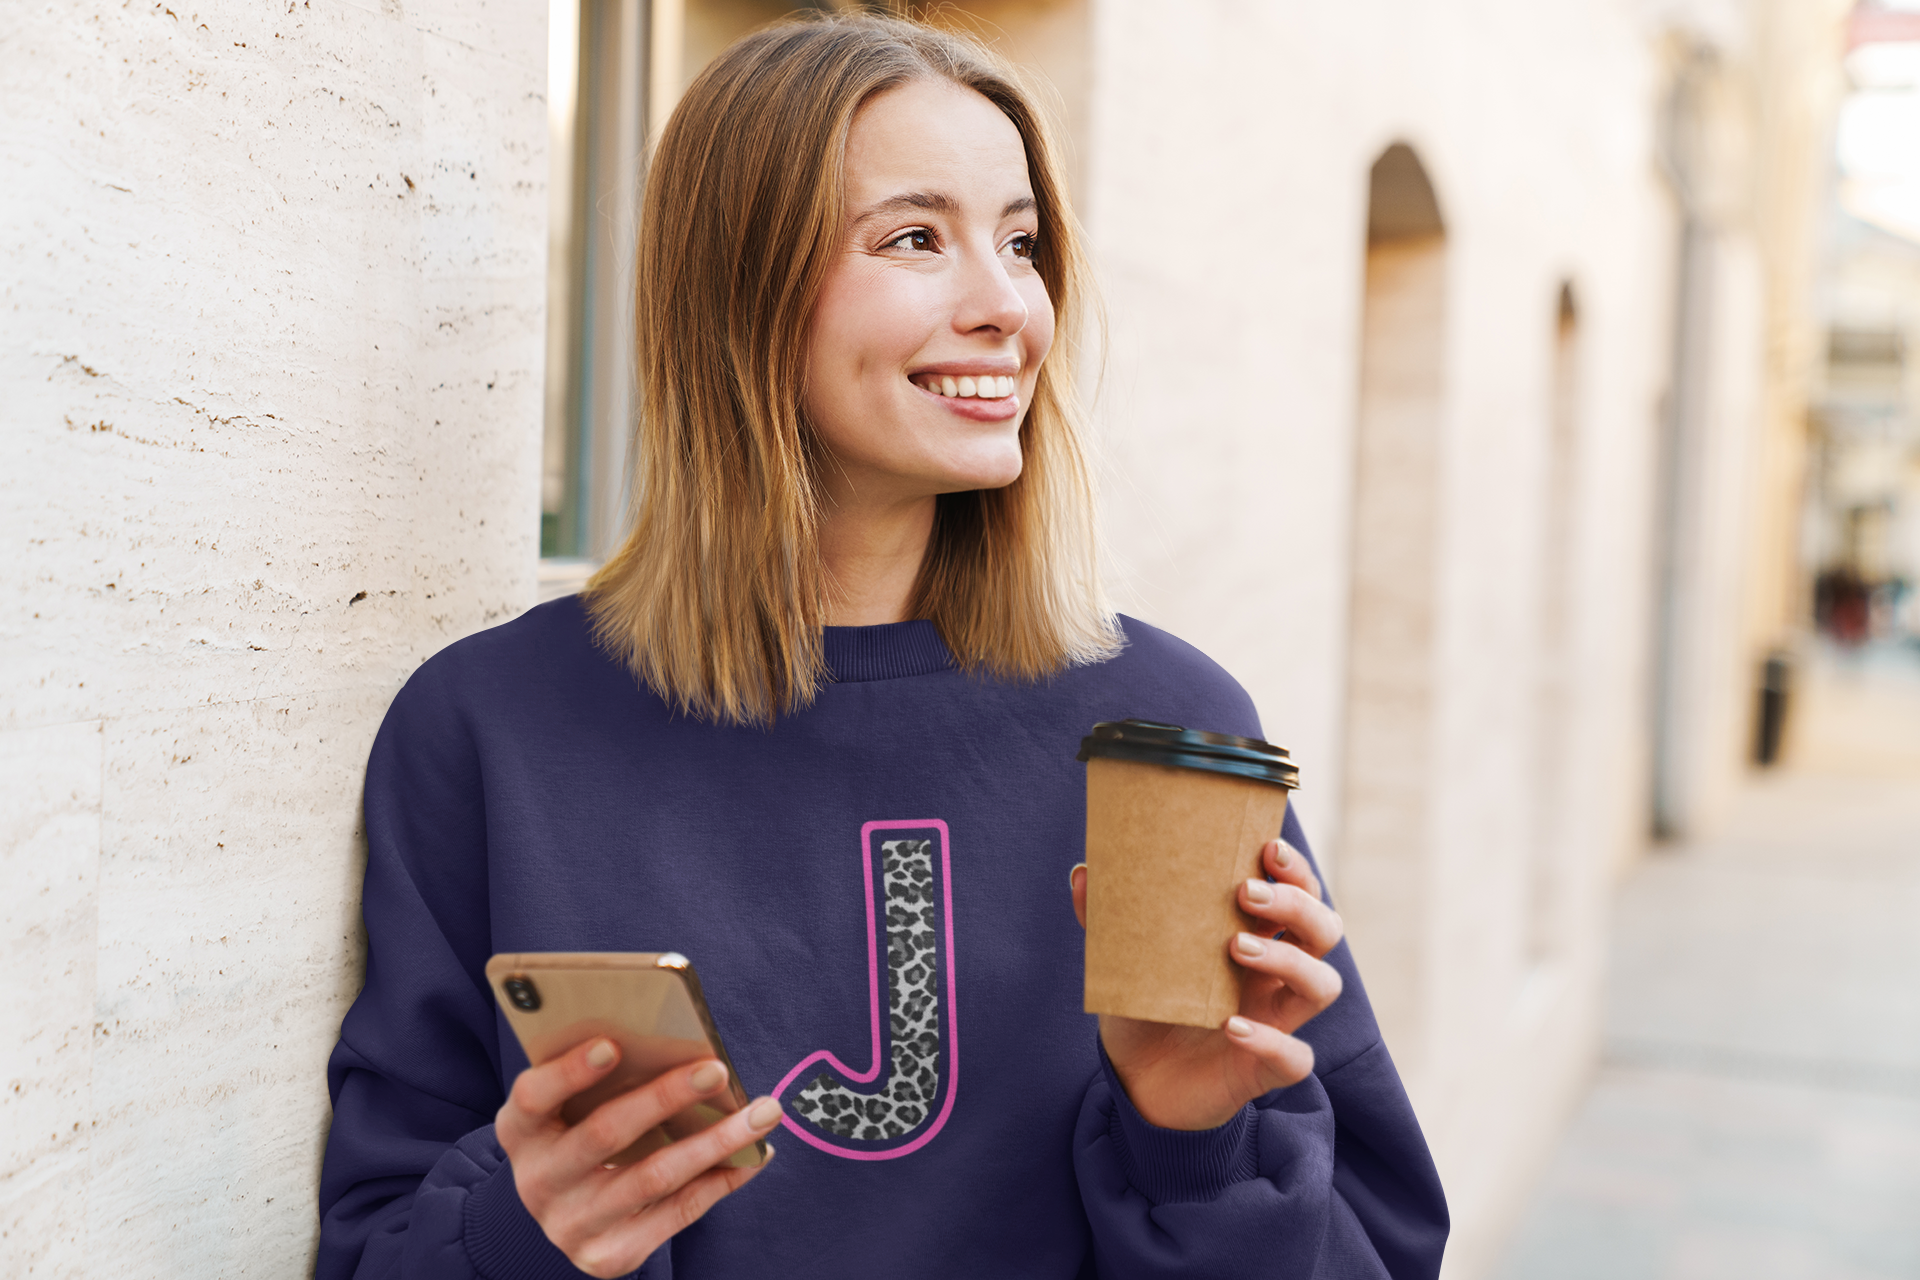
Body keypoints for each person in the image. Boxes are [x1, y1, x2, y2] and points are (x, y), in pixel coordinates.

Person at [317, 13, 1447, 1279]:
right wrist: (525, 1234)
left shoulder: (1165, 731)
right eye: (916, 237)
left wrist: (1192, 1140)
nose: (1008, 305)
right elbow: (378, 1242)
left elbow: (1380, 1250)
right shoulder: (493, 729)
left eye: (1022, 243)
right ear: (742, 287)